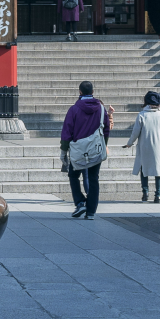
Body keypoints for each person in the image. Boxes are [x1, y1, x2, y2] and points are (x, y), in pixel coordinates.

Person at [60, 82, 112, 219]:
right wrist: (104, 145)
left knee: (73, 176)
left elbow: (67, 131)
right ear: (93, 91)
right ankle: (91, 212)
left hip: (78, 150)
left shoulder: (74, 109)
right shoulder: (101, 108)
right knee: (94, 178)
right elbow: (106, 129)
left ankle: (80, 202)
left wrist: (63, 151)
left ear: (80, 92)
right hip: (96, 148)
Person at [126, 90, 160, 202]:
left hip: (145, 148)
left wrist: (129, 143)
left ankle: (145, 193)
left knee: (144, 170)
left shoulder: (142, 115)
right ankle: (158, 195)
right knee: (159, 171)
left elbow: (135, 132)